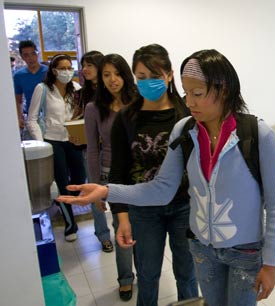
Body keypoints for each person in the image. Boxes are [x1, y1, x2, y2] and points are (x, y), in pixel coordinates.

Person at [57, 49, 275, 306]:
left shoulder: (258, 134)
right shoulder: (185, 129)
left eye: (197, 94)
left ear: (223, 90)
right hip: (202, 249)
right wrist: (108, 191)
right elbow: (162, 188)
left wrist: (271, 263)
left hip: (245, 250)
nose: (190, 102)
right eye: (187, 93)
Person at [107, 44, 198, 306]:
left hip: (184, 206)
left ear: (169, 75)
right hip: (143, 209)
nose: (148, 82)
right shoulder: (126, 118)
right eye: (141, 77)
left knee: (187, 274)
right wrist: (121, 216)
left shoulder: (187, 115)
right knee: (147, 276)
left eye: (155, 76)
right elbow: (118, 172)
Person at [85, 53, 137, 300]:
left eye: (117, 74)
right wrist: (95, 186)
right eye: (106, 75)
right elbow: (92, 149)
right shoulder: (94, 108)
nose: (112, 80)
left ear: (125, 76)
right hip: (110, 175)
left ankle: (146, 274)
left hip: (138, 176)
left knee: (142, 228)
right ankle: (125, 279)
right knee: (121, 227)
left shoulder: (139, 102)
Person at [27, 54, 84, 242]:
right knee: (62, 182)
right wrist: (41, 143)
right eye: (63, 68)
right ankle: (70, 225)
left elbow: (83, 114)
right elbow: (32, 119)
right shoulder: (43, 89)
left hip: (73, 140)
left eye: (70, 67)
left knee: (78, 178)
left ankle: (65, 200)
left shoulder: (76, 88)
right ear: (54, 70)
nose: (67, 71)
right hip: (53, 141)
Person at [78, 50, 115, 253]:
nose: (85, 69)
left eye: (90, 65)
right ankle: (103, 236)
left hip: (110, 154)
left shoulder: (113, 93)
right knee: (94, 191)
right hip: (89, 150)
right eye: (83, 65)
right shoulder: (82, 94)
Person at [13, 40, 48, 133]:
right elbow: (18, 100)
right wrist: (19, 118)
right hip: (31, 115)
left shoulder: (48, 72)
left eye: (33, 53)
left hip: (49, 114)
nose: (30, 58)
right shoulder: (19, 76)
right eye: (26, 55)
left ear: (37, 54)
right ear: (22, 57)